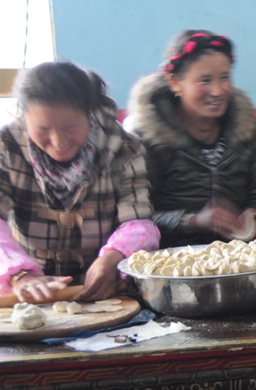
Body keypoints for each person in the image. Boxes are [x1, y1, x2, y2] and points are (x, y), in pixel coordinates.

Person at [0, 61, 158, 302]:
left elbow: (138, 222)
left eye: (70, 127)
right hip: (27, 294)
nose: (58, 140)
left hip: (102, 290)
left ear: (89, 113)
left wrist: (113, 257)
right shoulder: (7, 147)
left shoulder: (124, 148)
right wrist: (19, 274)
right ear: (24, 117)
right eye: (43, 129)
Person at [127, 30, 256, 248]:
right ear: (175, 81)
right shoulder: (147, 138)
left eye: (224, 77)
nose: (218, 91)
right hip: (168, 263)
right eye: (205, 80)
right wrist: (191, 221)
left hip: (237, 258)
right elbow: (133, 220)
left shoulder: (246, 129)